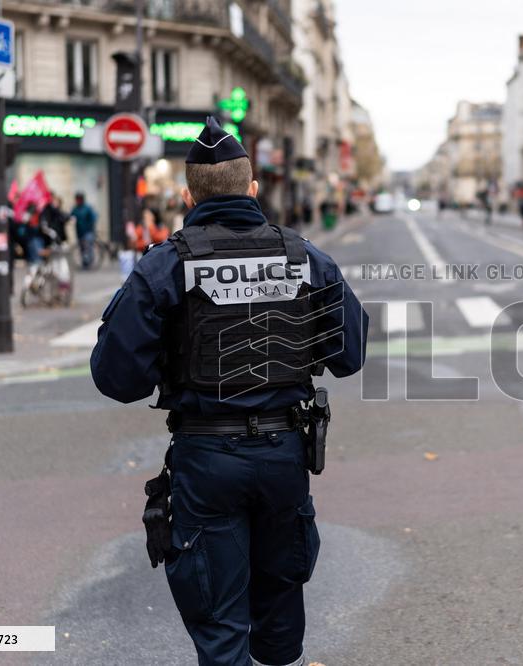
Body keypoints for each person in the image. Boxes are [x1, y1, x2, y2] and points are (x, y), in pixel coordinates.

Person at [91, 117, 368, 666]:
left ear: (188, 195)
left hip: (206, 459)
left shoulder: (165, 264)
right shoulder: (304, 257)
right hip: (284, 456)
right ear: (253, 189)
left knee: (221, 627)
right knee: (281, 617)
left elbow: (116, 378)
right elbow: (349, 355)